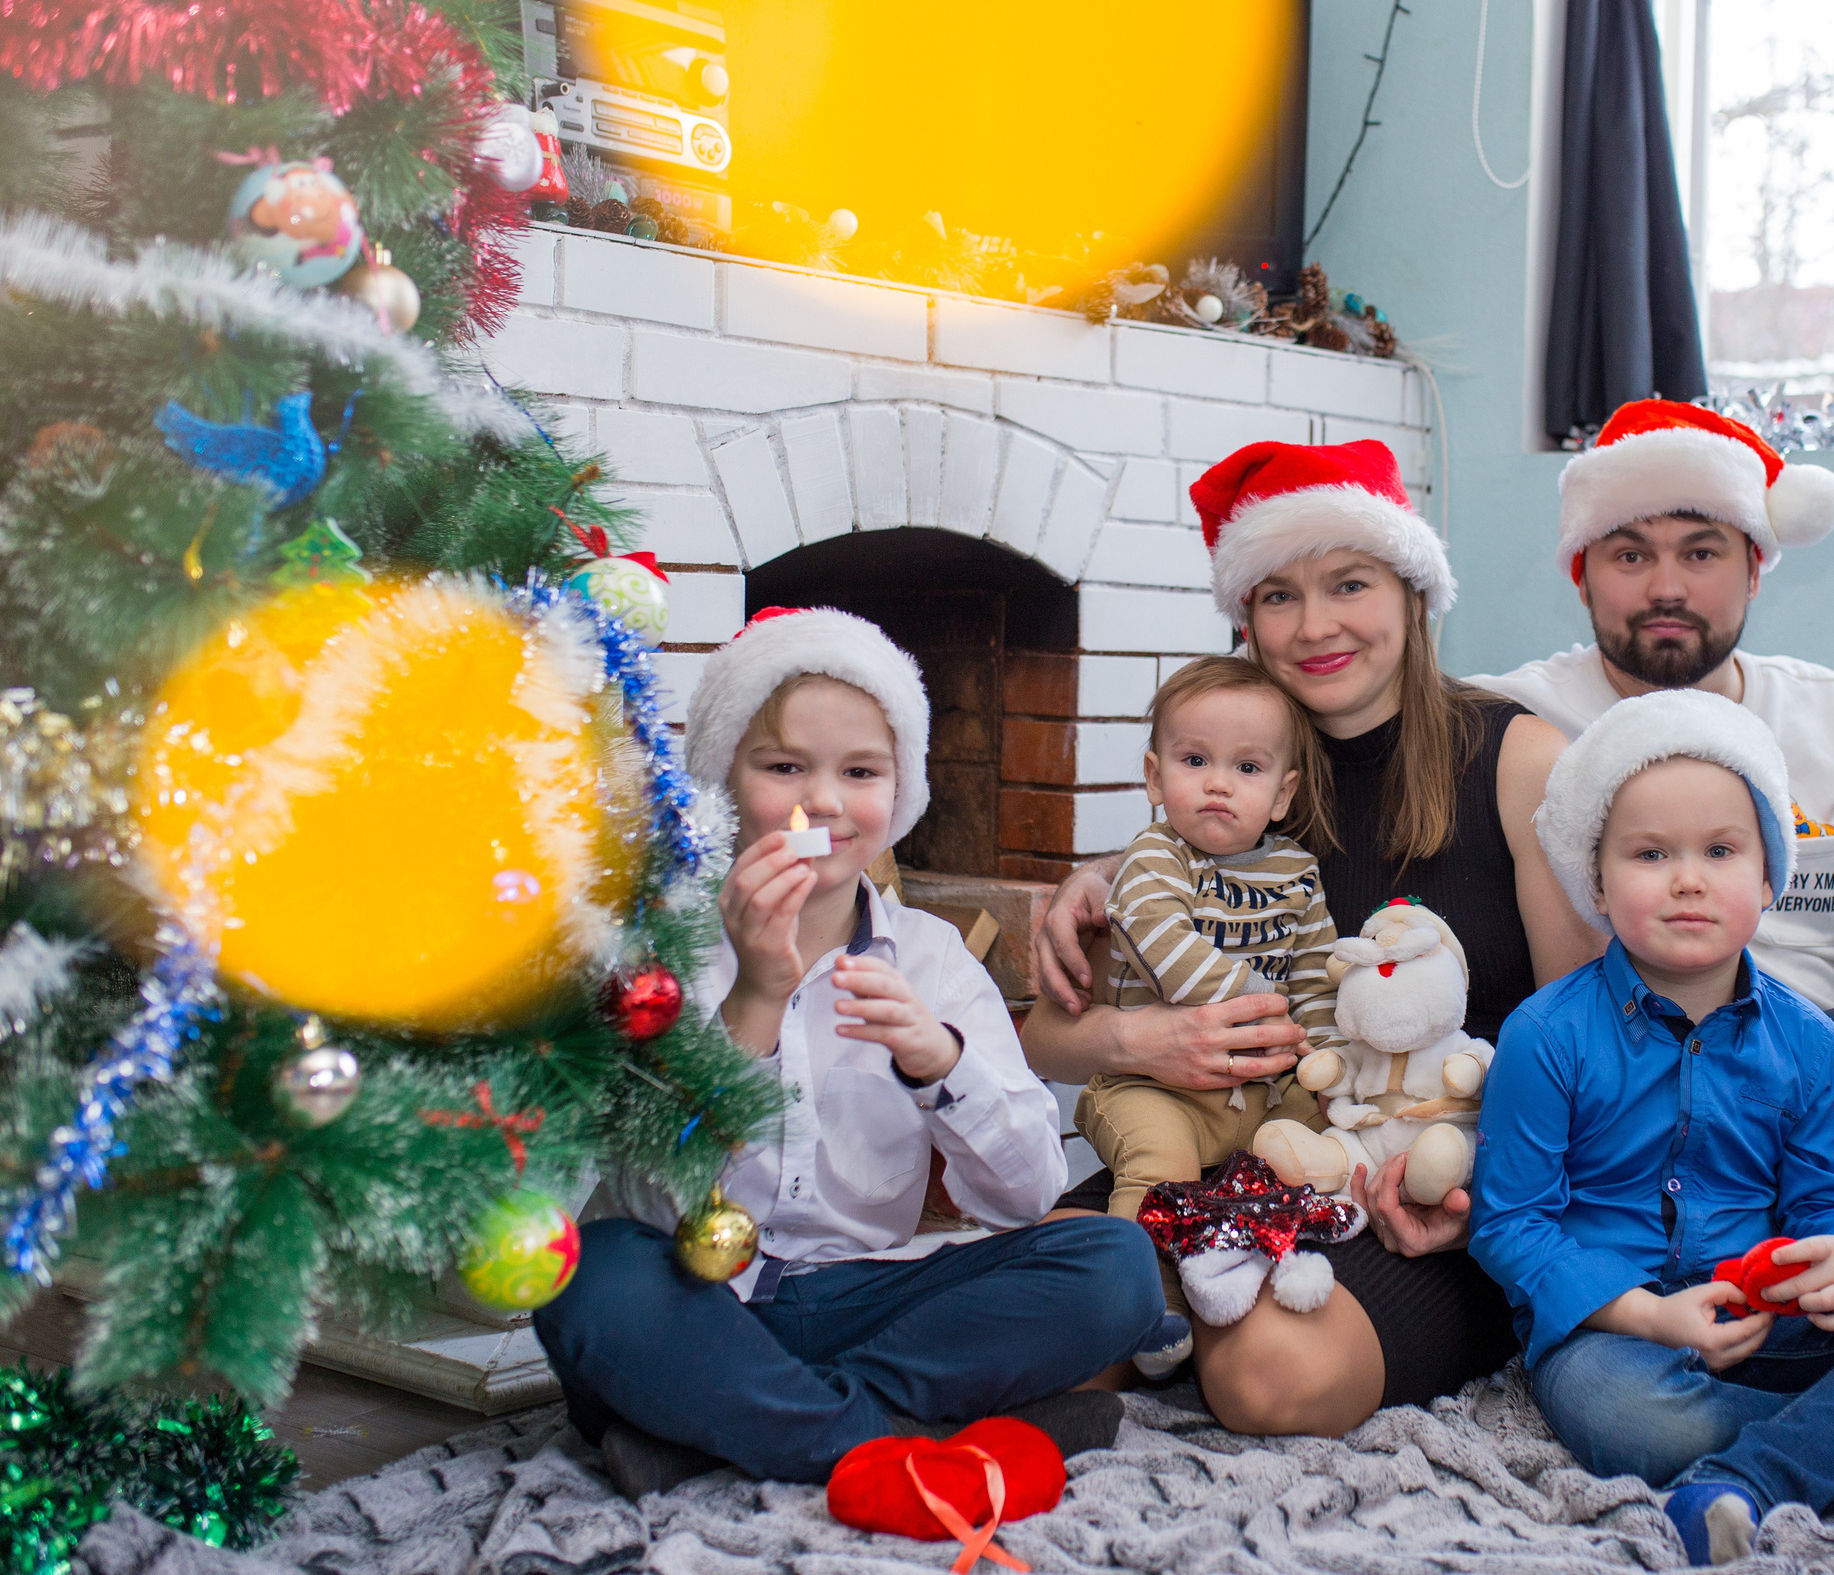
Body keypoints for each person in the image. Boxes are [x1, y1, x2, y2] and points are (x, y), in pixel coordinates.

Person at [1025, 438, 1597, 1435]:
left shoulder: (1520, 759)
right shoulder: (1237, 779)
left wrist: (1474, 1206)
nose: (1315, 625)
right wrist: (1134, 1040)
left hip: (1429, 1193)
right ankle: (1173, 1295)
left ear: (1412, 595)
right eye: (1278, 596)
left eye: (1348, 583)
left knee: (1266, 1379)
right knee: (1023, 1318)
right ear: (1246, 620)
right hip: (1238, 1147)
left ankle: (1186, 1311)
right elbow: (1039, 1036)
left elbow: (1592, 1047)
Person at [534, 607, 1160, 1497]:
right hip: (697, 1302)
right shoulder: (660, 953)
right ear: (724, 779)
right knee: (587, 1275)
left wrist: (940, 1062)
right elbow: (649, 1194)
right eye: (785, 766)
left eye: (859, 771)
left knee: (1114, 1268)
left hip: (871, 1301)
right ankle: (914, 1440)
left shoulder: (935, 958)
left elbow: (1023, 1196)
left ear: (898, 793)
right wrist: (754, 995)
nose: (823, 800)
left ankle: (735, 1434)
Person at [1469, 399, 1834, 1285]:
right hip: (1600, 1106)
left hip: (1804, 1102)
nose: (1666, 587)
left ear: (1756, 569)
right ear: (1581, 574)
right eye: (1629, 554)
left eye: (1701, 552)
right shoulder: (1502, 721)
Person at [1474, 689, 1834, 1567]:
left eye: (1720, 850)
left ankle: (1743, 1481)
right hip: (1620, 1334)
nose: (1687, 878)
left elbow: (1830, 1197)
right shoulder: (1545, 1033)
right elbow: (1510, 1223)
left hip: (1769, 1318)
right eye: (1649, 853)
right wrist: (1650, 1316)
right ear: (1595, 881)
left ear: (1768, 876)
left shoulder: (1809, 1039)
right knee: (1629, 1419)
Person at [1080, 653, 1341, 1377]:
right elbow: (1167, 947)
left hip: (1257, 1086)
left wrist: (1321, 1057)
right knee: (1158, 1160)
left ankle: (1276, 1262)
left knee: (1321, 1134)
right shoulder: (1154, 859)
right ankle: (1147, 1301)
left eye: (1248, 768)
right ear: (1155, 777)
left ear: (1284, 792)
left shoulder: (1297, 873)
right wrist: (1266, 1014)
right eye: (1196, 760)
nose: (1220, 782)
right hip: (1151, 1087)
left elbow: (1316, 972)